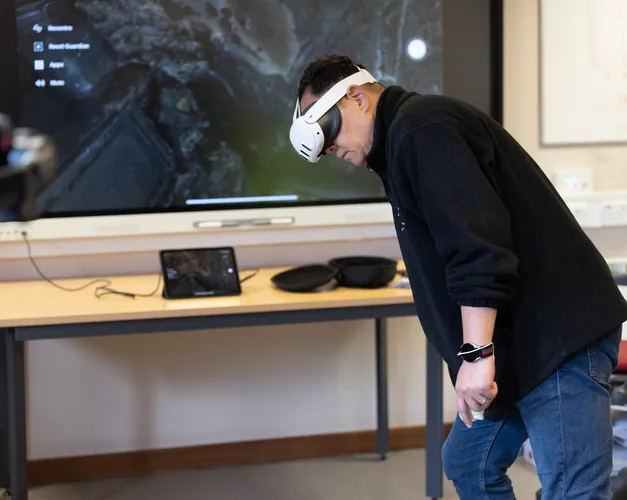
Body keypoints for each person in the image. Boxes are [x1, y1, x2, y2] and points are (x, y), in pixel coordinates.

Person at [289, 54, 627, 499]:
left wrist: (476, 353)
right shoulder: (397, 147)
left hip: (555, 338)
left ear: (356, 97)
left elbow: (477, 248)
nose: (330, 149)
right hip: (516, 346)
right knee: (469, 463)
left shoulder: (423, 129)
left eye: (328, 132)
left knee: (573, 491)